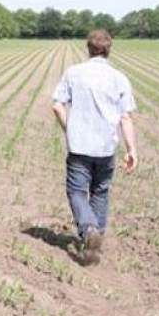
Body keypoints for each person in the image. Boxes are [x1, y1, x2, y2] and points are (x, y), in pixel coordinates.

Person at [51, 30, 139, 265]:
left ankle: (89, 230)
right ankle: (95, 241)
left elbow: (57, 106)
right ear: (109, 49)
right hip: (106, 148)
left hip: (79, 146)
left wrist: (69, 129)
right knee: (100, 192)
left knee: (77, 192)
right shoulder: (119, 77)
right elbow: (126, 117)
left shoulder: (73, 73)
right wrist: (132, 150)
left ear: (88, 49)